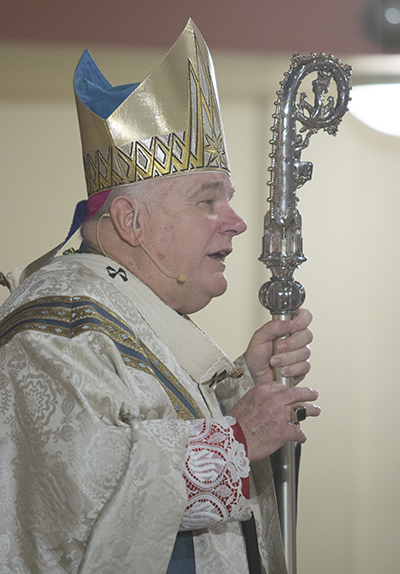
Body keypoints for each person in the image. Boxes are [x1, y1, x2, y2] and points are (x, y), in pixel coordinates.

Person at [0, 19, 319, 574]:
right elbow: (77, 515)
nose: (238, 223)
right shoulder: (53, 334)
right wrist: (238, 438)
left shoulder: (127, 314)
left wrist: (248, 385)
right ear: (130, 221)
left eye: (231, 200)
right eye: (207, 201)